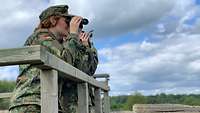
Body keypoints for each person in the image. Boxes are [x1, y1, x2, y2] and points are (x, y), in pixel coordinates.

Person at [9, 5, 98, 113]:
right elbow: (65, 64)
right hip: (30, 104)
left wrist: (84, 47)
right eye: (67, 21)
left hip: (46, 103)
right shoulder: (41, 37)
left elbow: (79, 68)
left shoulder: (59, 44)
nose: (70, 25)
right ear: (53, 20)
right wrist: (73, 36)